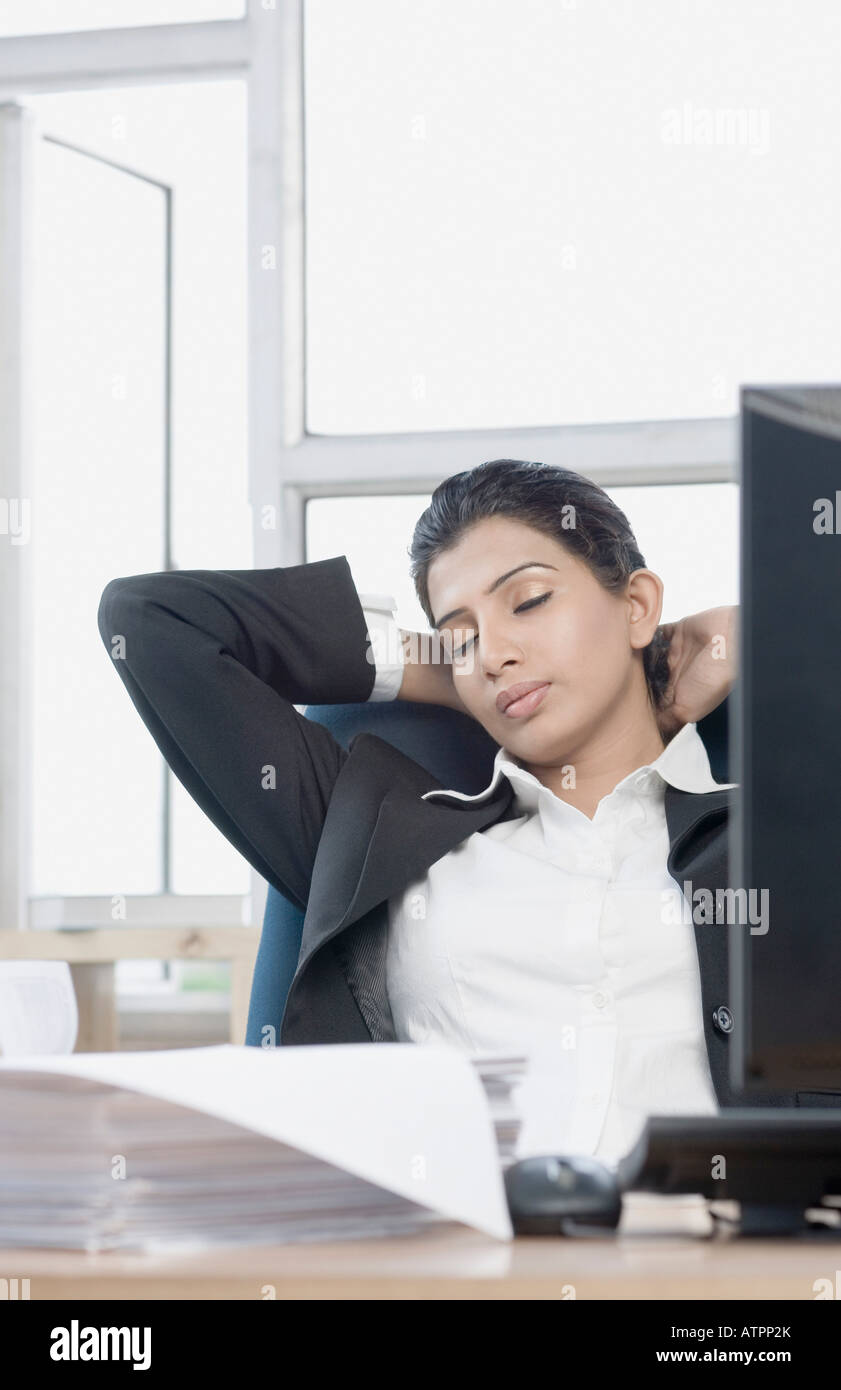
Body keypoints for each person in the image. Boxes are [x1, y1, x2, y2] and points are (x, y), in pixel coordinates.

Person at [97, 458, 741, 1165]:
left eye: (527, 602)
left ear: (637, 605)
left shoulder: (778, 833)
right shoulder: (381, 833)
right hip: (453, 1265)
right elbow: (150, 621)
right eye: (459, 635)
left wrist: (754, 637)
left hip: (720, 1262)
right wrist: (429, 666)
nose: (493, 653)